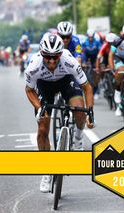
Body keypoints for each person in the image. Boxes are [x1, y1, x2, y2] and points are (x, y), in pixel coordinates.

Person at [24, 33, 94, 192]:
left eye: (55, 57)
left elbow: (87, 87)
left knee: (79, 109)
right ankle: (47, 171)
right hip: (43, 85)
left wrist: (90, 111)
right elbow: (29, 90)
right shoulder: (33, 66)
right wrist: (39, 106)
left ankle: (77, 137)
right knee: (42, 129)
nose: (51, 61)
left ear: (60, 54)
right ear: (42, 54)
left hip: (66, 81)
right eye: (48, 57)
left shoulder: (69, 61)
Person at [82, 29, 101, 99]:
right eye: (89, 37)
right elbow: (82, 52)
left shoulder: (97, 42)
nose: (90, 38)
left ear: (93, 36)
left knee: (96, 73)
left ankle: (96, 89)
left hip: (95, 57)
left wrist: (98, 63)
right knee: (83, 68)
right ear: (87, 36)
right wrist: (83, 62)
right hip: (86, 57)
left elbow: (100, 52)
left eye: (91, 37)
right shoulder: (84, 42)